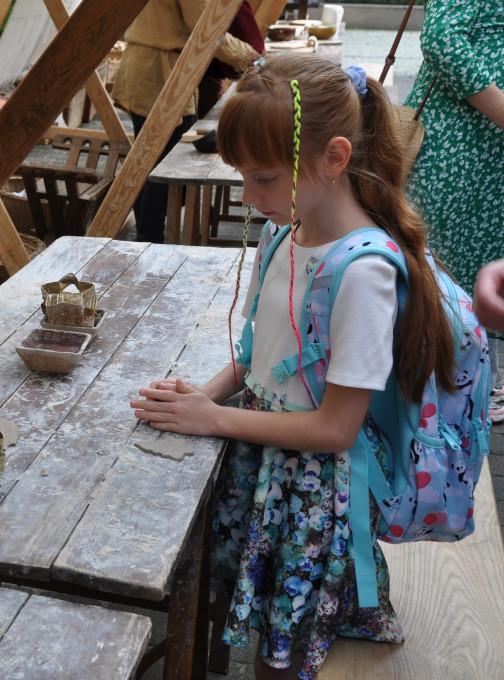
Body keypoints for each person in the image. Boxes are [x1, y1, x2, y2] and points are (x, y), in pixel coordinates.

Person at [130, 53, 458, 679]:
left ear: (334, 158)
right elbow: (259, 354)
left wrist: (213, 420)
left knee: (283, 650)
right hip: (263, 462)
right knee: (237, 599)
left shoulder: (363, 274)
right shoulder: (287, 231)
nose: (248, 197)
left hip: (314, 497)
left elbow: (336, 430)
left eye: (264, 179)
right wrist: (204, 395)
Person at [403, 0, 504, 415]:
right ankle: (438, 390)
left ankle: (473, 384)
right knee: (438, 271)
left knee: (468, 270)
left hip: (480, 154)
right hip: (460, 150)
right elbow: (442, 38)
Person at [111, 0, 259, 243]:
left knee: (145, 161)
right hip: (163, 73)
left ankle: (147, 234)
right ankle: (149, 238)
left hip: (145, 65)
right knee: (161, 167)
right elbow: (205, 30)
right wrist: (249, 55)